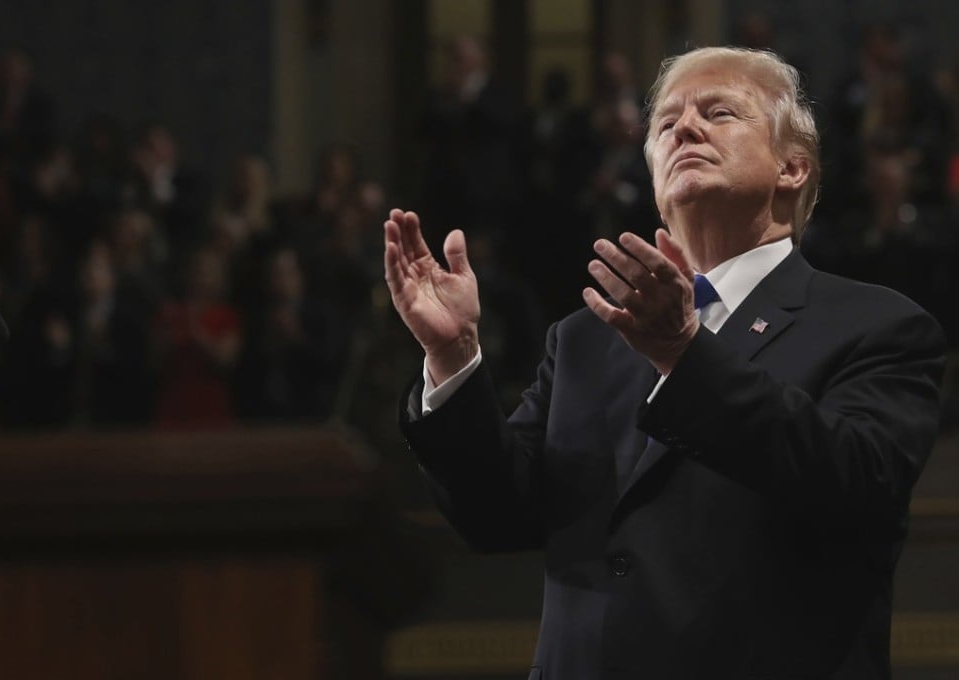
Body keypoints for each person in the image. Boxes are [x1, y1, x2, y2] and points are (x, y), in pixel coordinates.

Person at [383, 46, 945, 679]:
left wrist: (685, 355)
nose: (685, 127)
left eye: (720, 111)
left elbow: (853, 481)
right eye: (666, 123)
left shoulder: (877, 326)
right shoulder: (585, 340)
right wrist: (453, 358)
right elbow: (496, 517)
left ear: (793, 168)